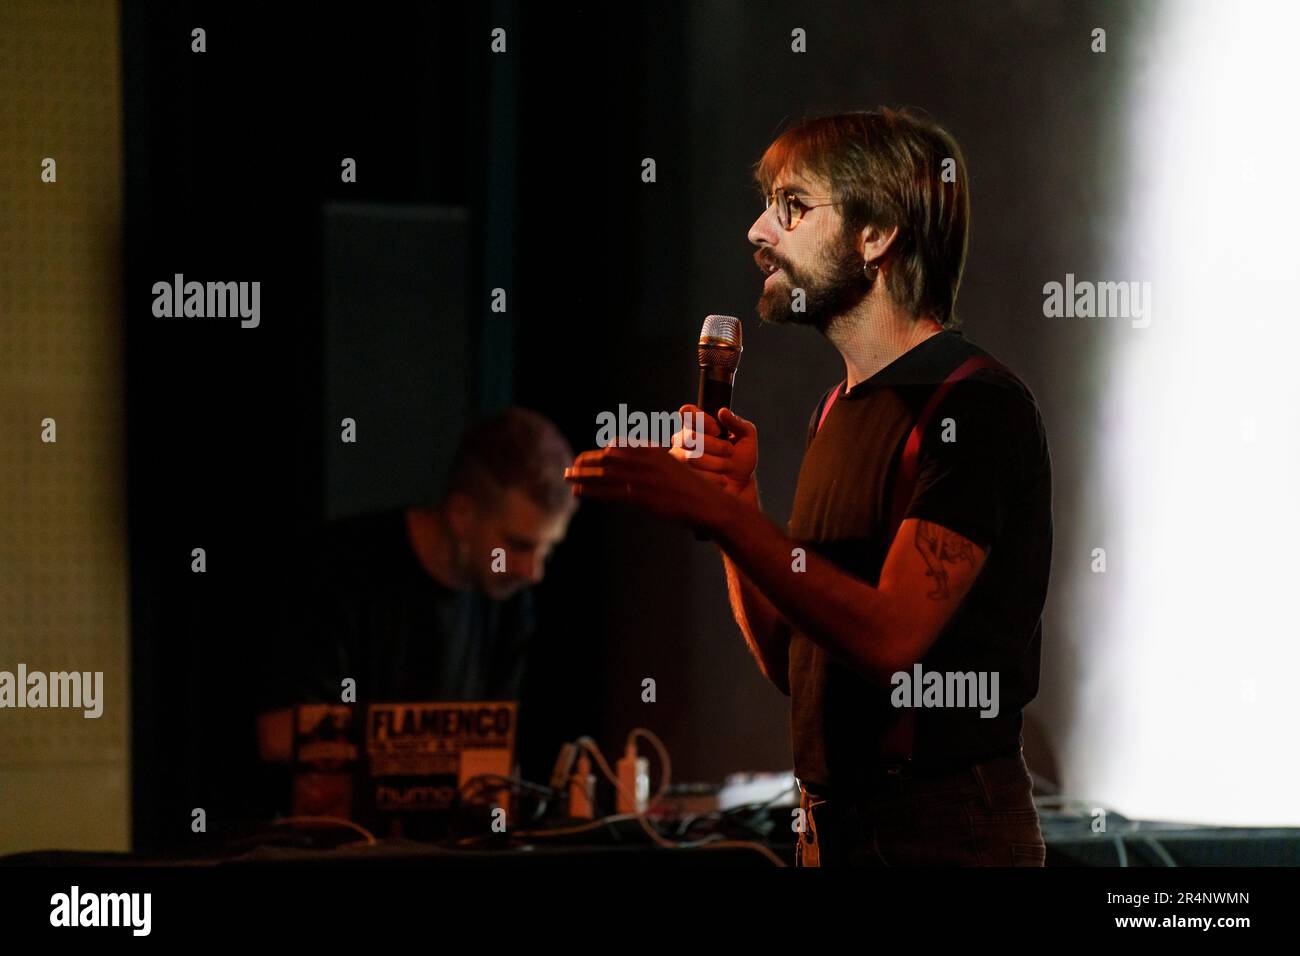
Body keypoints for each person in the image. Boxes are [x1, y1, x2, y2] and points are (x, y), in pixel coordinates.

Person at [566, 108, 1053, 866]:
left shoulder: (974, 404)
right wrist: (736, 511)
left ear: (877, 232)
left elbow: (890, 638)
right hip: (833, 825)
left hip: (940, 831)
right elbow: (797, 665)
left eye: (792, 207)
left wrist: (719, 517)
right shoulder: (836, 409)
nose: (759, 232)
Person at [258, 407, 577, 761]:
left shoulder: (511, 603)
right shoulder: (339, 568)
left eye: (547, 550)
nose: (533, 572)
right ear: (461, 515)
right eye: (518, 545)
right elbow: (277, 735)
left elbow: (491, 757)